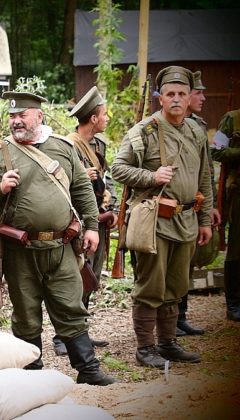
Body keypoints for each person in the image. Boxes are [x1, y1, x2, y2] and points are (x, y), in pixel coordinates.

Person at [0, 91, 116, 386]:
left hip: (62, 246)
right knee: (26, 314)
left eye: (22, 115)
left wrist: (92, 226)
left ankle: (88, 370)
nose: (16, 121)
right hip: (20, 249)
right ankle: (31, 375)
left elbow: (82, 188)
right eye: (12, 116)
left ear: (39, 116)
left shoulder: (63, 148)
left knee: (71, 306)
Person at [111, 66, 213, 369]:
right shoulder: (145, 131)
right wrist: (152, 176)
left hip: (186, 219)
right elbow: (118, 168)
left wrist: (205, 221)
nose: (177, 99)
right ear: (161, 97)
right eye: (170, 94)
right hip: (154, 221)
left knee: (176, 285)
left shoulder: (196, 131)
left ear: (189, 96)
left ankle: (168, 343)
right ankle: (145, 348)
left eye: (182, 93)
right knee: (151, 286)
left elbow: (204, 178)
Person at [60, 85, 117, 352]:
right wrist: (80, 176)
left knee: (91, 276)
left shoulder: (99, 145)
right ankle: (62, 337)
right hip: (78, 220)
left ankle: (81, 332)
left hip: (98, 218)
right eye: (104, 114)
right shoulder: (67, 145)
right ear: (93, 118)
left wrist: (111, 206)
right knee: (74, 277)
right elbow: (55, 182)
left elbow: (108, 178)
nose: (107, 118)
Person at [177, 70, 221, 336]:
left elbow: (206, 171)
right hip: (175, 206)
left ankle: (180, 315)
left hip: (196, 204)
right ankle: (169, 320)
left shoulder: (198, 126)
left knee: (189, 262)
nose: (203, 98)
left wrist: (210, 206)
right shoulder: (167, 125)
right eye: (198, 93)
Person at [211, 108, 240, 322]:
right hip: (238, 192)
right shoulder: (233, 119)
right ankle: (234, 303)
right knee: (237, 248)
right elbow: (216, 151)